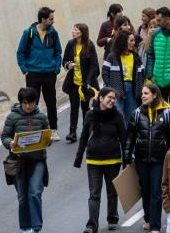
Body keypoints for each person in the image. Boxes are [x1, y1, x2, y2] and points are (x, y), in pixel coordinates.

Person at [126, 83, 170, 233]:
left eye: (146, 93)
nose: (142, 96)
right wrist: (127, 157)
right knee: (145, 190)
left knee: (156, 192)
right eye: (142, 93)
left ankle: (155, 226)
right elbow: (129, 137)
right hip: (141, 159)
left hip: (159, 160)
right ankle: (148, 219)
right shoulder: (137, 113)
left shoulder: (167, 113)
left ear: (155, 95)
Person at [74, 87, 127, 233]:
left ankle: (112, 219)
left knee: (112, 192)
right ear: (101, 98)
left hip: (113, 160)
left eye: (114, 98)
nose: (112, 100)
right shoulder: (90, 115)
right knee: (94, 194)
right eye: (109, 97)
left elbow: (124, 139)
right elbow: (84, 137)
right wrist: (78, 158)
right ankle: (92, 225)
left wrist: (126, 161)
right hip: (94, 161)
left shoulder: (118, 116)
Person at [2, 86, 52, 233]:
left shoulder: (42, 117)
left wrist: (49, 140)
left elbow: (47, 136)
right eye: (25, 103)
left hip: (38, 160)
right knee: (22, 196)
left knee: (35, 192)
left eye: (31, 103)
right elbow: (4, 137)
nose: (29, 106)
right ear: (21, 102)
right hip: (19, 162)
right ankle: (25, 227)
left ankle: (36, 228)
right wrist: (10, 143)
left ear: (35, 102)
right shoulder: (12, 117)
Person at [16, 7, 64, 139]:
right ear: (43, 19)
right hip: (33, 74)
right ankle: (32, 132)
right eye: (51, 19)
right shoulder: (29, 33)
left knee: (51, 103)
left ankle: (53, 130)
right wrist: (25, 70)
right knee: (31, 104)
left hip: (49, 74)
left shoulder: (53, 33)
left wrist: (56, 69)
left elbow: (58, 51)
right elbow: (20, 52)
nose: (53, 21)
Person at [63, 23, 101, 144]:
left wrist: (88, 82)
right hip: (73, 82)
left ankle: (86, 130)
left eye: (76, 30)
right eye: (73, 29)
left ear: (82, 33)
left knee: (85, 107)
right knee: (74, 107)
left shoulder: (89, 45)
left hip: (86, 83)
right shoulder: (70, 44)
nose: (73, 32)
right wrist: (68, 65)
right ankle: (72, 132)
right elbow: (64, 61)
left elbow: (94, 65)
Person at [103, 30, 145, 120]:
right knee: (118, 115)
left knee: (131, 115)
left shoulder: (136, 57)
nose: (134, 43)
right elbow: (105, 72)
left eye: (134, 40)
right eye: (131, 40)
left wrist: (140, 89)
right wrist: (109, 87)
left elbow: (142, 74)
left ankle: (129, 130)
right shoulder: (112, 56)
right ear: (123, 41)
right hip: (116, 90)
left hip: (132, 90)